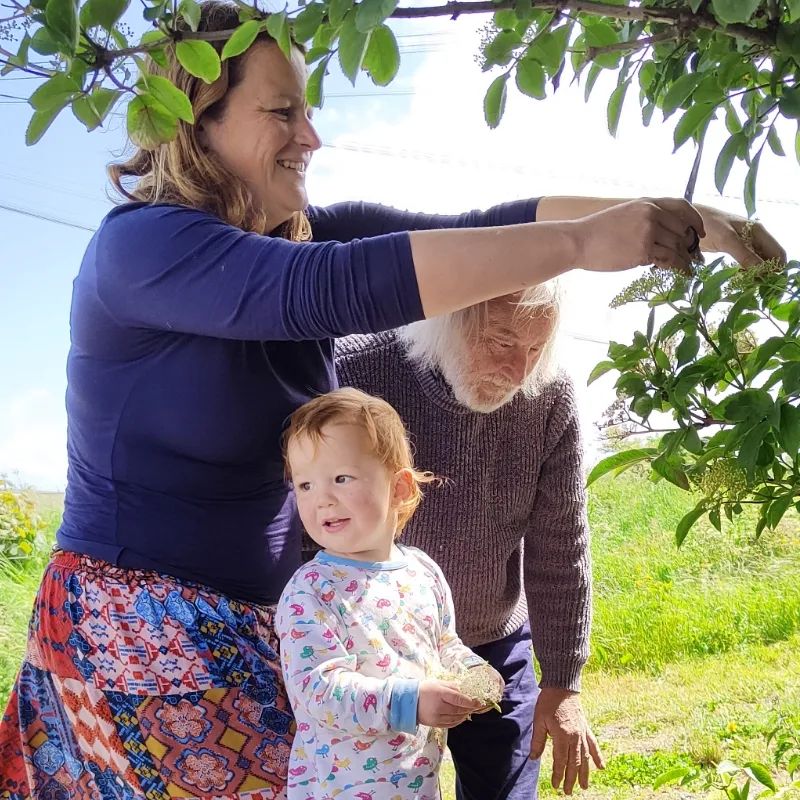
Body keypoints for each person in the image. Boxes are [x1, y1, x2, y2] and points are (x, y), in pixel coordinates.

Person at [0, 0, 785, 794]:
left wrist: (685, 224)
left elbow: (486, 224)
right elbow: (332, 290)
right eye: (282, 111)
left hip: (267, 627)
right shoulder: (143, 247)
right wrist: (583, 246)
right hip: (138, 635)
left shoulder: (304, 232)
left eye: (309, 111)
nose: (310, 136)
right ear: (198, 122)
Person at [277, 388, 502, 799]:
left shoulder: (422, 572)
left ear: (398, 488)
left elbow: (444, 644)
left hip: (417, 784)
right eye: (304, 484)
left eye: (341, 478)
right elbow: (317, 690)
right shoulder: (310, 592)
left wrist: (474, 673)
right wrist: (409, 702)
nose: (321, 498)